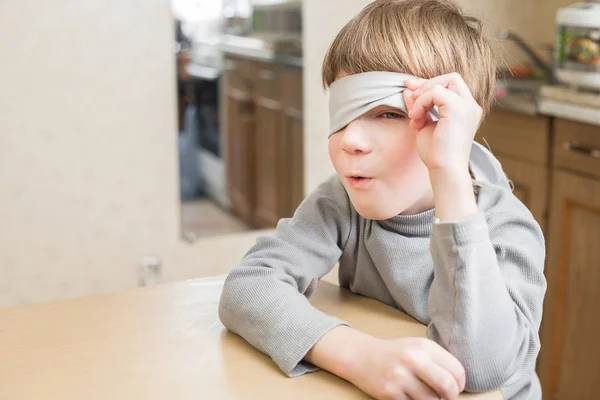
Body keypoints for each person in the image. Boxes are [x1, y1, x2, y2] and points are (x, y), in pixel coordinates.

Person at [218, 1, 547, 399]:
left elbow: (479, 371)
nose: (351, 141)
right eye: (343, 114)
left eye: (388, 115)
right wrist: (359, 356)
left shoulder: (505, 226)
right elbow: (249, 286)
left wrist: (447, 174)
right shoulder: (340, 202)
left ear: (448, 122)